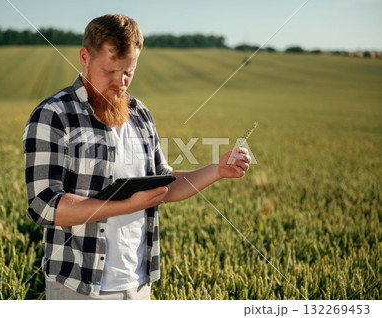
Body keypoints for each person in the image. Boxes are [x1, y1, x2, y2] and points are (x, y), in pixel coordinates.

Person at [23, 14, 251, 300]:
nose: (121, 82)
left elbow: (163, 186)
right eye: (110, 70)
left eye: (129, 71)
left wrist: (217, 170)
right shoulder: (54, 115)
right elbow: (45, 206)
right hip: (78, 287)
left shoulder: (140, 113)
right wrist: (125, 205)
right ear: (84, 57)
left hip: (139, 285)